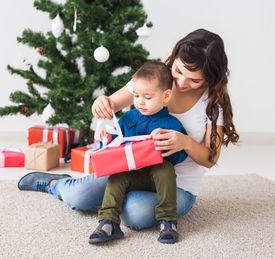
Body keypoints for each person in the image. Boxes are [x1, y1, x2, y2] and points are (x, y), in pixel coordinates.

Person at [18, 28, 239, 236]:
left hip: (178, 186)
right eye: (179, 71)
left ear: (211, 78)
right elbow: (111, 103)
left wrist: (186, 143)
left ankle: (117, 198)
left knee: (135, 213)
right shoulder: (157, 76)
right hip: (132, 167)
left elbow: (210, 159)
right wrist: (101, 103)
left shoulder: (212, 103)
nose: (181, 82)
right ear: (175, 57)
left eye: (195, 80)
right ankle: (56, 184)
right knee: (78, 197)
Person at [89, 61, 187, 244]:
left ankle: (168, 221)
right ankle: (108, 222)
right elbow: (115, 147)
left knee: (165, 168)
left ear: (166, 96)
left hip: (155, 178)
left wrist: (167, 147)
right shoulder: (128, 118)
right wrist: (108, 140)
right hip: (131, 174)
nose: (140, 102)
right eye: (136, 95)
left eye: (147, 97)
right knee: (116, 176)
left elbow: (180, 156)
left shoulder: (171, 124)